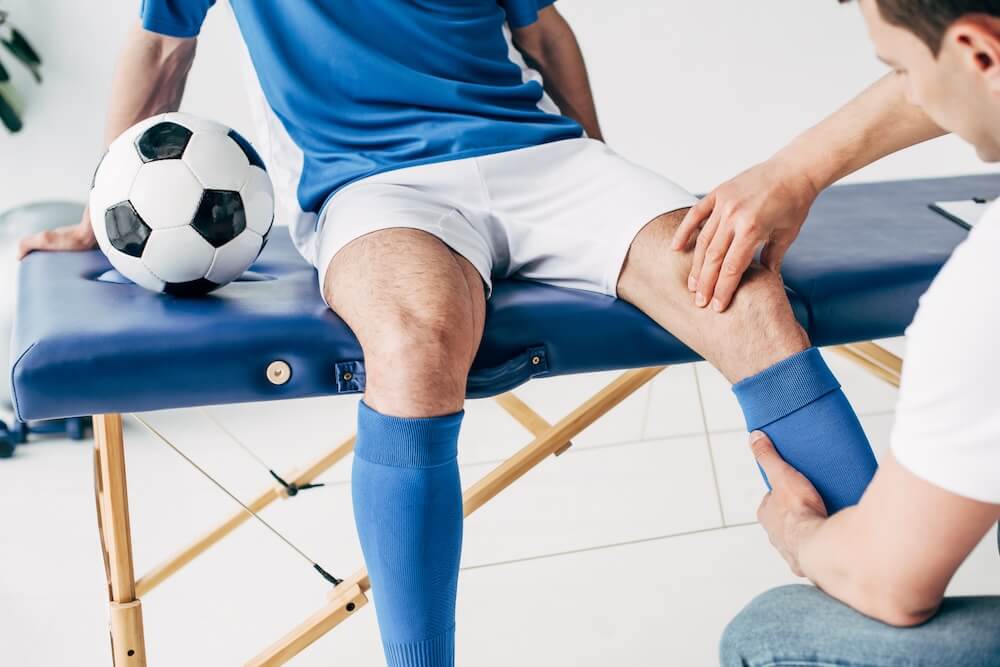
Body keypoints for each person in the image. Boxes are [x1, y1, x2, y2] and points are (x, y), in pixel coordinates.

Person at [19, 3, 879, 665]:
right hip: (374, 182)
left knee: (742, 289)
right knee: (415, 341)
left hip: (545, 159)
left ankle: (882, 586)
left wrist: (601, 170)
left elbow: (543, 34)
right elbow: (162, 47)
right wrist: (106, 210)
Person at [717, 1, 1000, 664]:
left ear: (981, 53)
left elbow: (892, 587)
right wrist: (798, 168)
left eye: (900, 69)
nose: (911, 92)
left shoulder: (982, 289)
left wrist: (801, 532)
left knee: (766, 636)